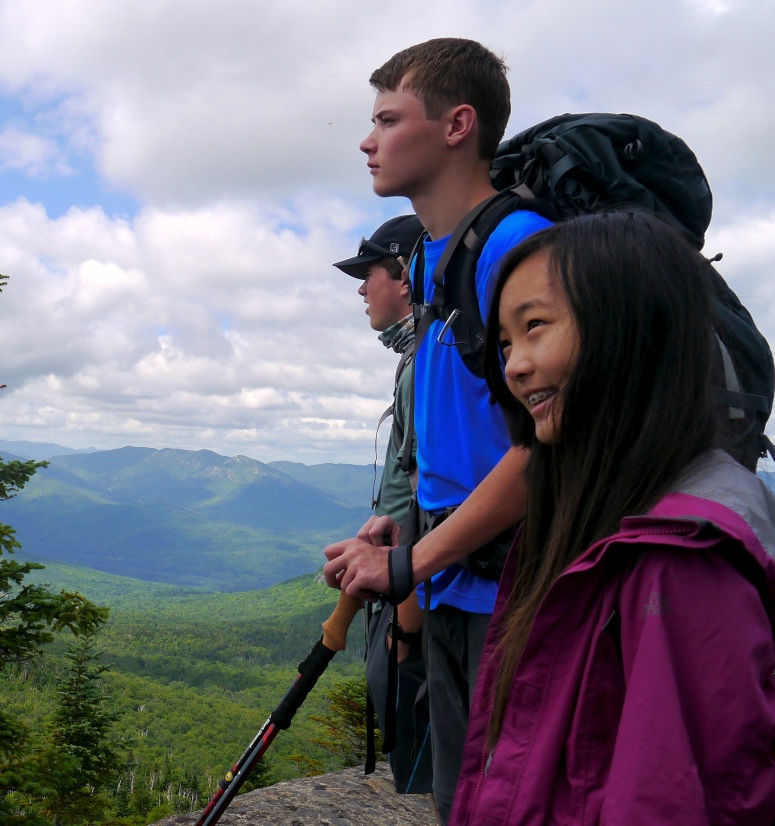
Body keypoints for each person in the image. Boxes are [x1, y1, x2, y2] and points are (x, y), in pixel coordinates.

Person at [450, 210, 775, 824]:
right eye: (505, 342)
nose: (514, 365)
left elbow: (667, 801)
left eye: (536, 326)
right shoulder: (611, 521)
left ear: (632, 329)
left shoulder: (678, 564)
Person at [321, 38, 551, 823]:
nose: (367, 139)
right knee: (463, 805)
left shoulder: (518, 248)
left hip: (516, 598)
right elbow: (460, 436)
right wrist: (405, 521)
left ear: (458, 124)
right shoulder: (432, 262)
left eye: (388, 118)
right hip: (457, 586)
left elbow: (552, 443)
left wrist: (412, 561)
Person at [333, 213, 431, 793]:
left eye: (368, 273)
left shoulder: (428, 363)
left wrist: (407, 629)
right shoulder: (421, 354)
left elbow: (437, 501)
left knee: (418, 738)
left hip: (413, 594)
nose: (361, 289)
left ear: (403, 273)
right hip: (403, 581)